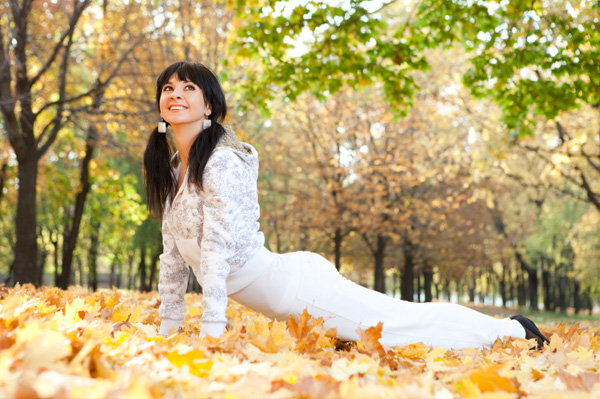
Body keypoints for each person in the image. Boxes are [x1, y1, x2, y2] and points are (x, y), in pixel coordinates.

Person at [143, 61, 550, 350]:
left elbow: (215, 252)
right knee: (396, 323)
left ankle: (515, 333)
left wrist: (212, 330)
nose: (175, 95)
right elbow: (174, 258)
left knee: (400, 324)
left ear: (209, 106)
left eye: (188, 88)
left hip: (298, 292)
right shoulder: (174, 167)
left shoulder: (222, 163)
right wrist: (169, 326)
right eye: (168, 89)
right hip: (286, 291)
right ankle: (508, 331)